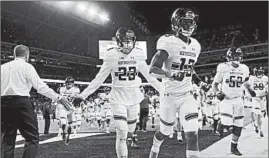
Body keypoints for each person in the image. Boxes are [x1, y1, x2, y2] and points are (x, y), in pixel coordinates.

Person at [73, 27, 162, 158]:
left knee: (131, 129)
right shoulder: (111, 55)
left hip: (134, 97)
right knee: (122, 132)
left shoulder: (138, 54)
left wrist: (164, 91)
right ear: (118, 42)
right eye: (124, 41)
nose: (128, 45)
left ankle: (131, 135)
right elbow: (99, 79)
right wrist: (83, 95)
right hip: (118, 97)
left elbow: (150, 77)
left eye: (130, 41)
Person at [148, 8, 205, 158]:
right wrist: (170, 74)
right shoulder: (169, 42)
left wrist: (199, 82)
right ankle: (155, 147)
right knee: (166, 131)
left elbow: (189, 69)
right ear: (176, 24)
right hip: (169, 96)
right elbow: (152, 69)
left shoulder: (196, 45)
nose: (189, 25)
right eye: (185, 22)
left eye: (191, 22)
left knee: (192, 133)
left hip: (187, 95)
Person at [1, 45, 72, 158]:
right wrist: (58, 98)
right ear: (27, 55)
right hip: (21, 102)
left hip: (3, 103)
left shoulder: (2, 67)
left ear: (14, 55)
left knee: (7, 139)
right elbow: (40, 87)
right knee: (32, 137)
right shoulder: (27, 67)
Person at [212, 47, 256, 156]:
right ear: (229, 57)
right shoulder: (223, 67)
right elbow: (214, 84)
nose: (237, 58)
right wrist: (217, 92)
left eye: (238, 56)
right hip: (226, 100)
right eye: (234, 56)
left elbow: (245, 83)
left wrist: (250, 90)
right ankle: (221, 124)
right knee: (228, 124)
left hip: (238, 100)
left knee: (239, 125)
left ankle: (234, 147)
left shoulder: (245, 68)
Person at [58, 76, 80, 145]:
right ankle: (64, 132)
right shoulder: (61, 89)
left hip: (70, 108)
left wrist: (76, 97)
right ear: (65, 83)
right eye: (68, 82)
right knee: (64, 123)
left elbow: (78, 98)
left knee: (70, 125)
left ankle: (68, 136)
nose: (69, 84)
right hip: (63, 107)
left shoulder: (76, 90)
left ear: (73, 83)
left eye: (71, 82)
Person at [248, 66, 268, 137]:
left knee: (261, 114)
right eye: (258, 72)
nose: (260, 74)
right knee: (258, 113)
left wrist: (266, 90)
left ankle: (255, 124)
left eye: (261, 72)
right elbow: (247, 86)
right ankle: (260, 129)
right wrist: (249, 95)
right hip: (255, 98)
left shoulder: (265, 78)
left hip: (263, 98)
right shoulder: (251, 78)